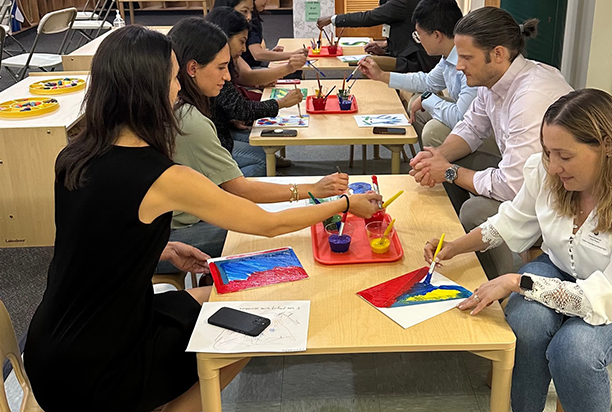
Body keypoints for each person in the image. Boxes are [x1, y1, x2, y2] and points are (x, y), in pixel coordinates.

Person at [23, 25, 382, 412]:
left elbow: (92, 237)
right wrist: (344, 204)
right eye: (173, 78)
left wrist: (162, 248)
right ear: (149, 89)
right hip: (101, 364)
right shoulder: (163, 176)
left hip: (52, 345)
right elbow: (266, 224)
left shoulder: (75, 155)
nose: (178, 88)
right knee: (259, 325)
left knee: (230, 297)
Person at [423, 89, 612, 412]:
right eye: (547, 152)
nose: (553, 166)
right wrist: (453, 247)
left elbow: (604, 297)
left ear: (608, 147)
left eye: (565, 155)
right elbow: (508, 223)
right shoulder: (546, 172)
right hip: (558, 268)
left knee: (574, 351)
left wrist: (516, 282)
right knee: (526, 323)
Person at [409, 6, 573, 279]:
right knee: (448, 157)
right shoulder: (495, 79)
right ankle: (460, 241)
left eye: (466, 57)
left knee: (476, 210)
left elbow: (513, 187)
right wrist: (436, 158)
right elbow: (471, 127)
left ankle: (497, 279)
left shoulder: (530, 97)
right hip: (530, 177)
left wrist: (449, 172)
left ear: (497, 54)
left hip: (559, 195)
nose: (459, 66)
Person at [165, 18, 346, 264]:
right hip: (176, 232)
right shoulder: (190, 121)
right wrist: (314, 191)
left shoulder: (177, 106)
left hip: (172, 222)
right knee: (274, 234)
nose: (228, 77)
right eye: (220, 68)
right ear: (192, 68)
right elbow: (241, 190)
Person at [358, 0, 473, 148]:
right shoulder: (449, 56)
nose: (418, 40)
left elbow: (462, 117)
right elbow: (427, 82)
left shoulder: (468, 62)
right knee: (418, 106)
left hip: (483, 129)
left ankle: (443, 166)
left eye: (418, 35)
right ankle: (428, 160)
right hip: (467, 115)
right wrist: (381, 75)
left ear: (437, 35)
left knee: (433, 130)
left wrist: (427, 99)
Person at [206, 7, 303, 171]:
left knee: (264, 142)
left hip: (219, 131)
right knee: (263, 158)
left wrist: (230, 117)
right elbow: (241, 108)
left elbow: (230, 104)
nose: (244, 49)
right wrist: (282, 102)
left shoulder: (222, 62)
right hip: (211, 141)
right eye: (242, 42)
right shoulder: (214, 67)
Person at [317, 0, 437, 73]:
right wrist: (384, 52)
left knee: (366, 64)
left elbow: (369, 17)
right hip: (409, 57)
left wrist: (333, 19)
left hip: (414, 62)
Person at [213, 0, 306, 91]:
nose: (249, 17)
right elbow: (249, 71)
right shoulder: (214, 47)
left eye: (250, 11)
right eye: (244, 11)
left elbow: (245, 75)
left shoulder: (228, 40)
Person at [242, 0, 306, 68]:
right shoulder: (249, 19)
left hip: (250, 64)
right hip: (247, 69)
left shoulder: (253, 17)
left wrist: (270, 54)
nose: (267, 2)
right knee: (292, 69)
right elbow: (257, 54)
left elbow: (253, 52)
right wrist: (292, 54)